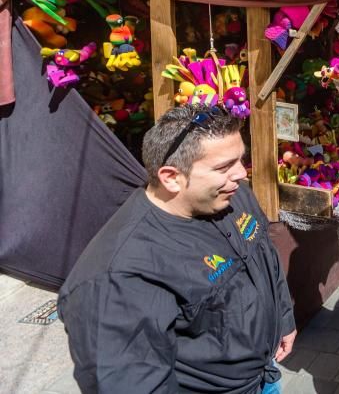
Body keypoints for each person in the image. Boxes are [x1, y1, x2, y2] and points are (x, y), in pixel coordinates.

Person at [58, 104, 296, 393]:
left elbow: (265, 256)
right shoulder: (117, 277)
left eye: (240, 160)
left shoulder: (231, 195)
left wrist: (283, 319)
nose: (241, 175)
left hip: (263, 377)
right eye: (224, 167)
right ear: (171, 177)